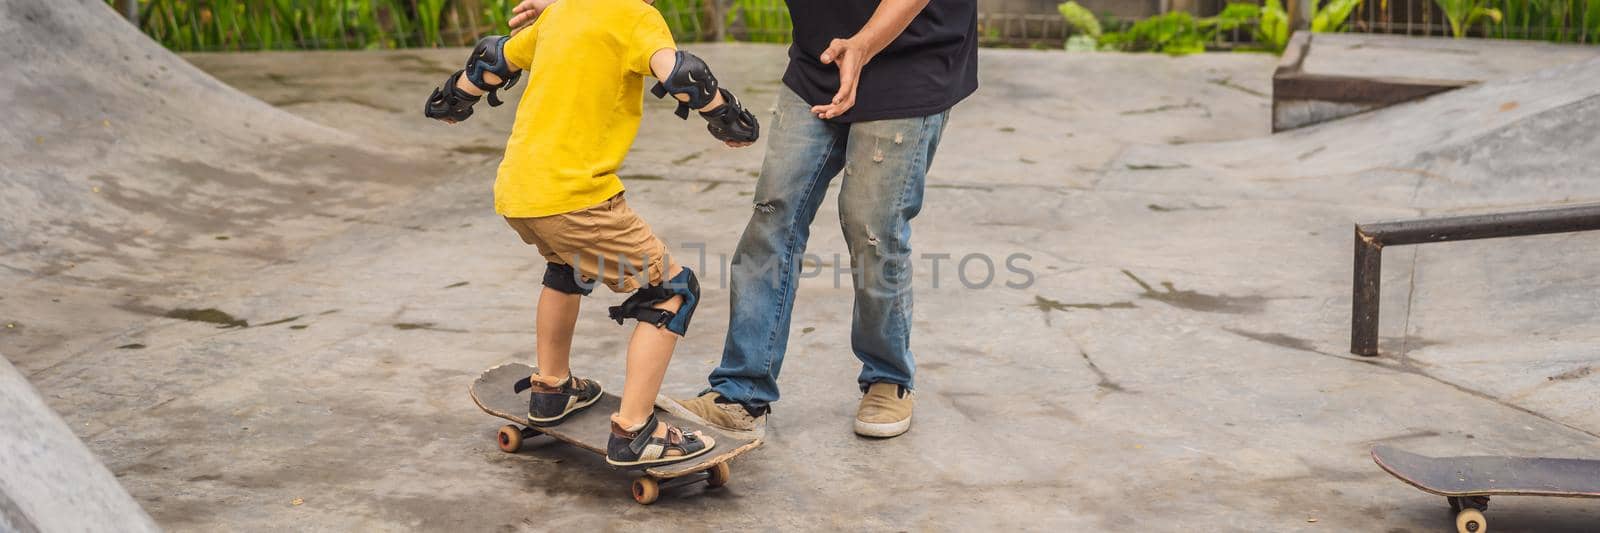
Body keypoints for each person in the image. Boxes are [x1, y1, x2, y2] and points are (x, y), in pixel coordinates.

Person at [425, 0, 759, 466]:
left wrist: (453, 98)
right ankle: (635, 431)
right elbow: (683, 74)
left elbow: (493, 60)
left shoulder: (562, 12)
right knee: (673, 289)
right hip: (576, 199)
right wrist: (727, 114)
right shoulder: (636, 17)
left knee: (566, 268)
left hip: (518, 192)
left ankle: (551, 389)